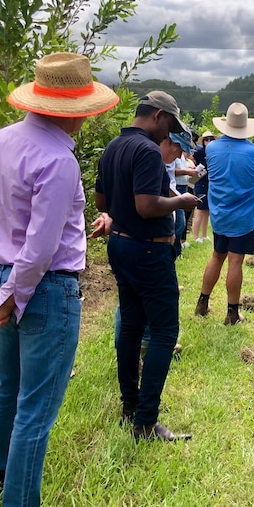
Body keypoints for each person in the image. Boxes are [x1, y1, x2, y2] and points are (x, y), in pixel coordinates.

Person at [0, 52, 118, 507]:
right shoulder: (58, 159)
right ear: (74, 110)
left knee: (7, 383)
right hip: (46, 289)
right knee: (36, 403)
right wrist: (10, 299)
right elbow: (41, 245)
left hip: (10, 276)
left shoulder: (1, 142)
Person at [94, 91, 200, 442]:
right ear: (158, 116)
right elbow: (147, 205)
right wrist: (180, 201)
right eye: (170, 123)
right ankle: (145, 421)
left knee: (131, 327)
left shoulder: (113, 147)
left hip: (121, 244)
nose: (170, 133)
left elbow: (101, 200)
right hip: (148, 252)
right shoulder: (147, 152)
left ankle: (129, 408)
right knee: (165, 332)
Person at [193, 102, 254, 325]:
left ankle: (202, 303)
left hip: (220, 214)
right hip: (244, 216)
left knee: (217, 255)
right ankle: (232, 313)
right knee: (235, 262)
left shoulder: (211, 148)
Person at [191, 130, 216, 242]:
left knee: (207, 210)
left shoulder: (214, 152)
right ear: (203, 141)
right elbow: (190, 158)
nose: (209, 141)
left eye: (211, 139)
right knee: (200, 210)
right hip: (200, 182)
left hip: (210, 182)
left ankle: (204, 235)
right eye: (206, 139)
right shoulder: (200, 152)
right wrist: (194, 168)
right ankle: (196, 236)